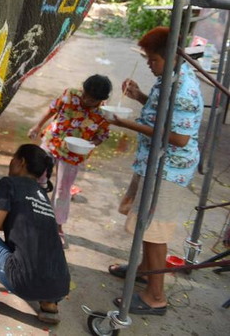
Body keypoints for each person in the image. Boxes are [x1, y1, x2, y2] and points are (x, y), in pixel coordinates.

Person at [107, 26, 204, 316]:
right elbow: (164, 112)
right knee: (144, 223)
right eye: (147, 59)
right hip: (153, 163)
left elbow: (178, 138)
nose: (149, 64)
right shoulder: (168, 78)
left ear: (171, 56)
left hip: (169, 171)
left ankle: (155, 297)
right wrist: (140, 96)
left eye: (153, 60)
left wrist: (128, 124)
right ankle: (144, 271)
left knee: (154, 230)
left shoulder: (184, 89)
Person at [0, 144, 69, 324]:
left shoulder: (9, 183)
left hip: (23, 281)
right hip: (60, 286)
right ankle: (49, 305)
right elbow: (0, 221)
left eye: (13, 157)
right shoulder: (41, 194)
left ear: (21, 162)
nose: (11, 162)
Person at [28, 74, 113, 245]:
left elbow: (102, 136)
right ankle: (32, 217)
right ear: (83, 89)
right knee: (38, 180)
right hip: (52, 143)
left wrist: (89, 145)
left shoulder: (104, 114)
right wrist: (37, 126)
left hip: (74, 156)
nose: (87, 100)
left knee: (62, 190)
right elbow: (52, 109)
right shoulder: (70, 95)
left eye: (92, 99)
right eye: (85, 95)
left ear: (102, 100)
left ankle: (57, 226)